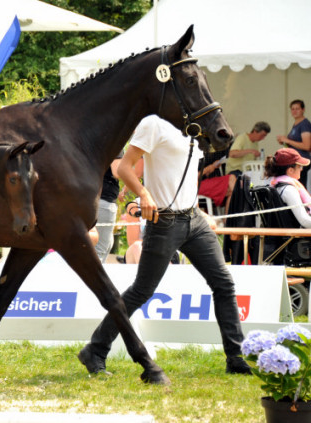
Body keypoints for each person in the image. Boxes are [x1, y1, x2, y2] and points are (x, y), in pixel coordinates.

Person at [77, 114, 251, 375]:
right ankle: (96, 349)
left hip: (194, 219)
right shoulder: (153, 124)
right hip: (165, 221)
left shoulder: (195, 128)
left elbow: (185, 177)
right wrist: (144, 194)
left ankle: (236, 358)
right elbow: (124, 168)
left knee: (223, 283)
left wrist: (199, 210)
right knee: (141, 291)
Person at [264, 148, 311, 228]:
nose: (301, 169)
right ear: (290, 170)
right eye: (299, 166)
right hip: (298, 236)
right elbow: (304, 220)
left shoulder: (274, 184)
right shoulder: (289, 190)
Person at [94, 154, 123, 263]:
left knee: (107, 244)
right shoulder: (116, 144)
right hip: (104, 202)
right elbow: (117, 171)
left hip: (96, 199)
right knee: (100, 249)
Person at [277, 100, 311, 188]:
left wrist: (288, 140)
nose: (294, 111)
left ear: (303, 110)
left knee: (299, 187)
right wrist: (284, 141)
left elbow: (306, 146)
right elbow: (294, 143)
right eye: (292, 109)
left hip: (301, 160)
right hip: (294, 161)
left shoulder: (304, 124)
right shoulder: (296, 124)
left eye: (297, 109)